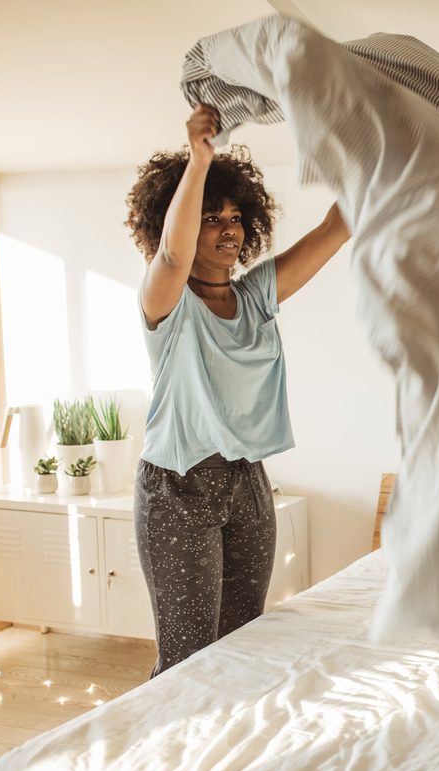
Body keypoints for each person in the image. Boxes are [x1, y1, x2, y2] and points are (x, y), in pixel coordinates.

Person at [124, 103, 349, 676]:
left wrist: (371, 158)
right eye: (209, 217)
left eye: (234, 218)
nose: (228, 229)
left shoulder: (255, 297)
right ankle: (164, 758)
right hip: (177, 487)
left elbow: (336, 227)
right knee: (187, 657)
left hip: (246, 481)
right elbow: (174, 255)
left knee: (242, 644)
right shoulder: (167, 301)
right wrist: (200, 159)